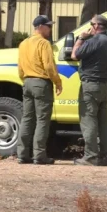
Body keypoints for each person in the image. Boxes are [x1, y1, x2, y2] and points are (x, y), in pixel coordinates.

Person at [71, 14, 107, 166]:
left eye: (91, 24)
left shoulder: (91, 42)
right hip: (106, 85)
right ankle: (106, 156)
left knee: (89, 120)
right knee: (104, 122)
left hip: (90, 85)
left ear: (95, 26)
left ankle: (91, 156)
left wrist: (81, 38)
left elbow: (74, 55)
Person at [16, 15, 63, 165]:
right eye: (49, 26)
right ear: (41, 27)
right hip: (41, 83)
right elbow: (49, 66)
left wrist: (25, 80)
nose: (50, 29)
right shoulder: (44, 43)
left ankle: (22, 154)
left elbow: (20, 67)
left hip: (27, 82)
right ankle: (39, 155)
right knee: (42, 119)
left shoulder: (23, 43)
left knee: (27, 118)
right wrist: (57, 82)